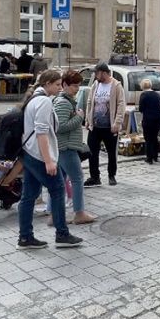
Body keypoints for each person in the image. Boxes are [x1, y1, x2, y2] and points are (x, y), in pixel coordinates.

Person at [17, 70, 83, 249]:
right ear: (46, 84)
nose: (59, 88)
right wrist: (49, 160)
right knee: (58, 189)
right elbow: (42, 133)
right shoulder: (44, 101)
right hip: (38, 155)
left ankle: (25, 237)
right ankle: (62, 234)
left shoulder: (33, 99)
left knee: (28, 196)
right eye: (57, 84)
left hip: (29, 153)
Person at [54, 70, 95, 224]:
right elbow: (60, 126)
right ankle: (79, 213)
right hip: (67, 147)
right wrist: (79, 117)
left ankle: (54, 215)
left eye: (79, 85)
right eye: (74, 85)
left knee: (60, 181)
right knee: (77, 179)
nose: (77, 88)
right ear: (65, 85)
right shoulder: (64, 103)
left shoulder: (65, 100)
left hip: (64, 147)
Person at [84, 63, 125, 187]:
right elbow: (90, 102)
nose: (95, 75)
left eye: (97, 73)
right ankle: (94, 177)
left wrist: (117, 123)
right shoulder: (96, 84)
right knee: (92, 152)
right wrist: (87, 120)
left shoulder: (116, 86)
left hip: (109, 127)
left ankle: (111, 175)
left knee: (111, 153)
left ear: (104, 73)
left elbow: (121, 104)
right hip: (95, 126)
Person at [139, 77, 160, 164]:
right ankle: (155, 156)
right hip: (158, 118)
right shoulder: (156, 94)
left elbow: (141, 109)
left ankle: (149, 158)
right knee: (154, 137)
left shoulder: (144, 95)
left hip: (148, 119)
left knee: (148, 138)